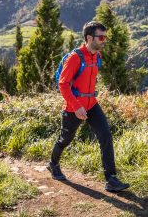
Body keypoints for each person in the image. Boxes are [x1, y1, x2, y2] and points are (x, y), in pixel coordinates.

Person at [47, 21, 130, 192]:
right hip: (73, 108)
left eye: (105, 37)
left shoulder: (96, 56)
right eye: (101, 37)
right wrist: (77, 107)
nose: (104, 40)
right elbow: (63, 84)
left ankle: (111, 179)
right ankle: (53, 164)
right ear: (89, 38)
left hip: (92, 104)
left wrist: (86, 103)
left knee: (105, 135)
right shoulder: (75, 58)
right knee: (66, 139)